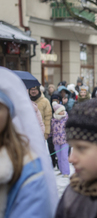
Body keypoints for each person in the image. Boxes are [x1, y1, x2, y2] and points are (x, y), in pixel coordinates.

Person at [0, 67, 58, 217]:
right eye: (30, 90)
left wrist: (44, 132)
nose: (32, 91)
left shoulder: (28, 170)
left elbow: (45, 118)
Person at [50, 102, 70, 178]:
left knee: (64, 157)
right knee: (59, 157)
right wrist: (50, 136)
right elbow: (52, 130)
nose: (63, 112)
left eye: (63, 110)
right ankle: (61, 170)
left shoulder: (66, 119)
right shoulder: (53, 120)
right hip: (56, 141)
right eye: (61, 111)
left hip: (65, 140)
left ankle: (66, 172)